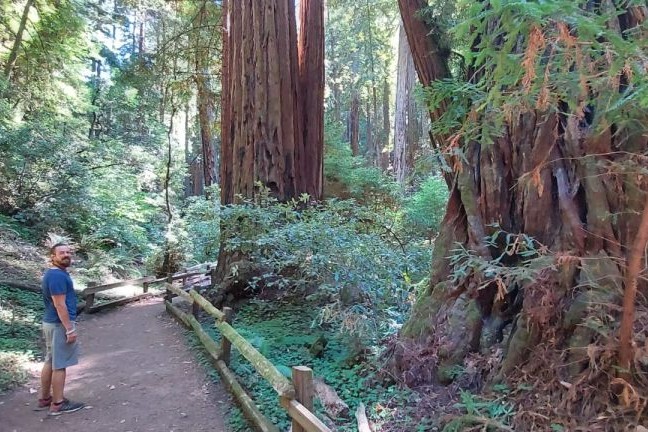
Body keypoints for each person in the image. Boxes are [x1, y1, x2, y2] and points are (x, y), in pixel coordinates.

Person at [36, 243, 85, 416]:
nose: (66, 255)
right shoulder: (57, 276)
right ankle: (58, 403)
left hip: (52, 323)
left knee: (51, 361)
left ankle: (45, 398)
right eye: (61, 252)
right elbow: (59, 304)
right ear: (52, 256)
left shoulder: (55, 273)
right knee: (60, 364)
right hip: (59, 324)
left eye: (68, 252)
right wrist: (69, 329)